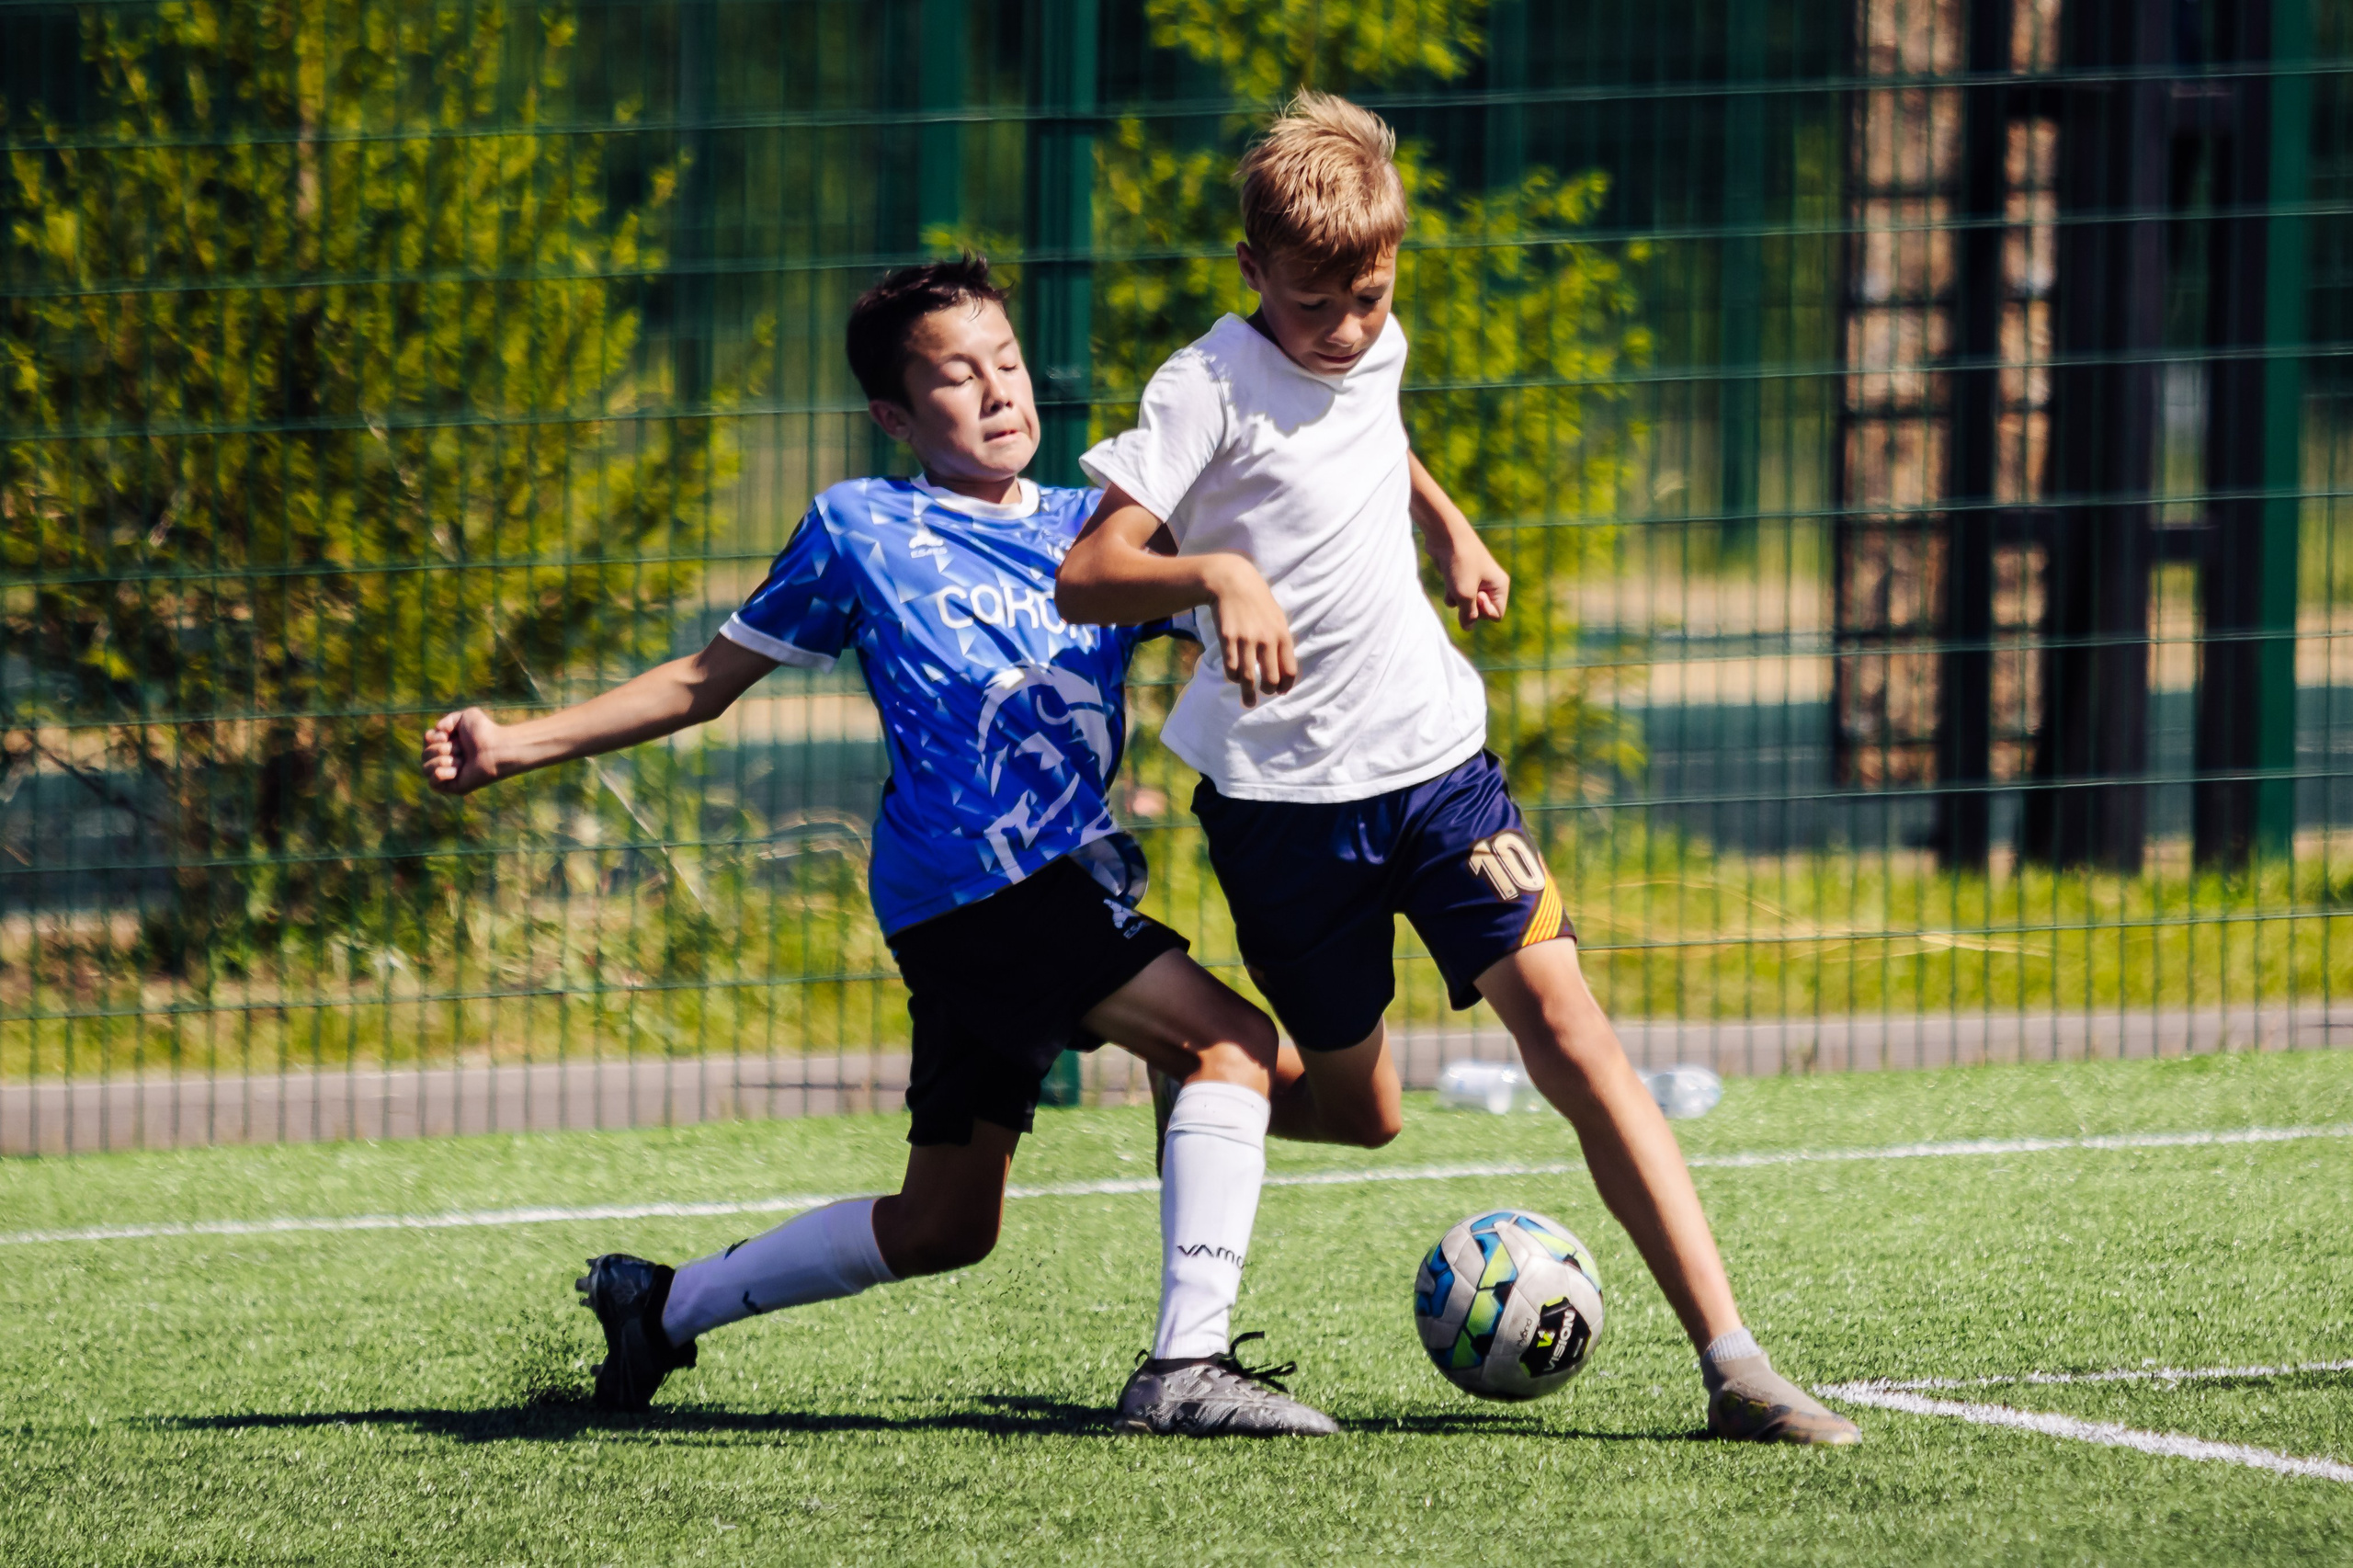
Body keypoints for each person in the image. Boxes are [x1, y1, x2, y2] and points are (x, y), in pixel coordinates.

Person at [1055, 95, 1860, 1445]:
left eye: (1371, 295)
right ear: (1253, 273)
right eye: (1315, 304)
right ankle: (1209, 1078)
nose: (1350, 328)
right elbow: (1088, 572)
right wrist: (1217, 569)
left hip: (1439, 768)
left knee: (1570, 1028)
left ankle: (1736, 1362)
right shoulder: (1204, 386)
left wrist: (1450, 526)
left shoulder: (1373, 334)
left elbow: (1374, 428)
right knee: (1362, 1112)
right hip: (1287, 808)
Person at [421, 258, 1336, 1437]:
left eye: (1006, 362)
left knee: (946, 1225)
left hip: (1028, 893)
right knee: (1232, 1041)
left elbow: (1268, 584)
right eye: (957, 377)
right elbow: (703, 683)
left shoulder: (1094, 535)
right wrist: (514, 743)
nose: (998, 391)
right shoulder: (863, 527)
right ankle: (1186, 1366)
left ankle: (661, 1305)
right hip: (977, 883)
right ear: (895, 416)